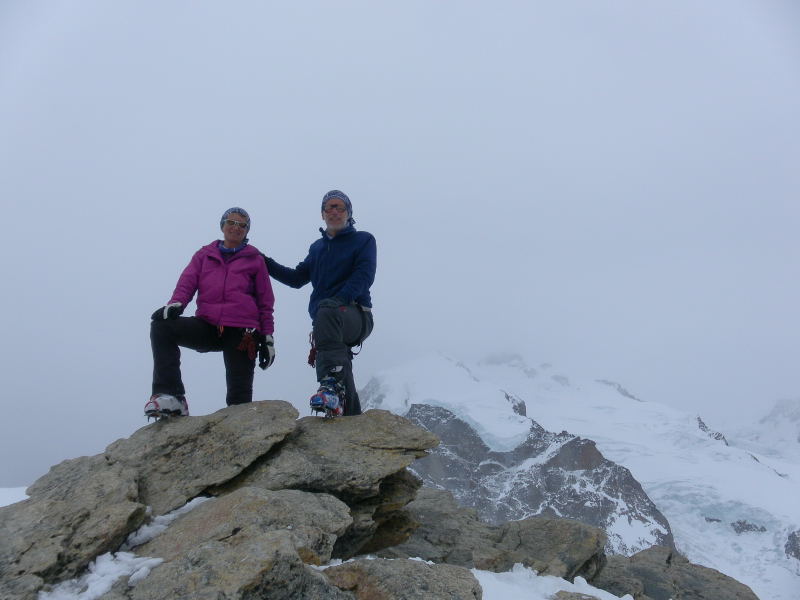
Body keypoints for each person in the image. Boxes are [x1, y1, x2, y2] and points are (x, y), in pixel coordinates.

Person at [145, 208, 275, 418]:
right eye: (231, 222)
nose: (236, 227)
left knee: (239, 399)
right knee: (162, 327)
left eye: (242, 225)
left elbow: (265, 301)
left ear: (247, 231)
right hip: (207, 325)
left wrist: (267, 337)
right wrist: (176, 304)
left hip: (243, 332)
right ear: (222, 225)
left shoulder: (255, 260)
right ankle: (172, 396)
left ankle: (239, 429)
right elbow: (187, 282)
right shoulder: (204, 255)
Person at [264, 190, 375, 416]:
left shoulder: (363, 240)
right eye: (329, 208)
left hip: (357, 314)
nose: (334, 211)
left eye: (340, 207)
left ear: (349, 213)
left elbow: (364, 276)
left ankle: (331, 386)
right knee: (340, 358)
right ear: (322, 215)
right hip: (328, 320)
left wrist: (337, 301)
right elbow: (296, 278)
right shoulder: (317, 248)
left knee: (325, 311)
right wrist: (264, 262)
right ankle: (352, 417)